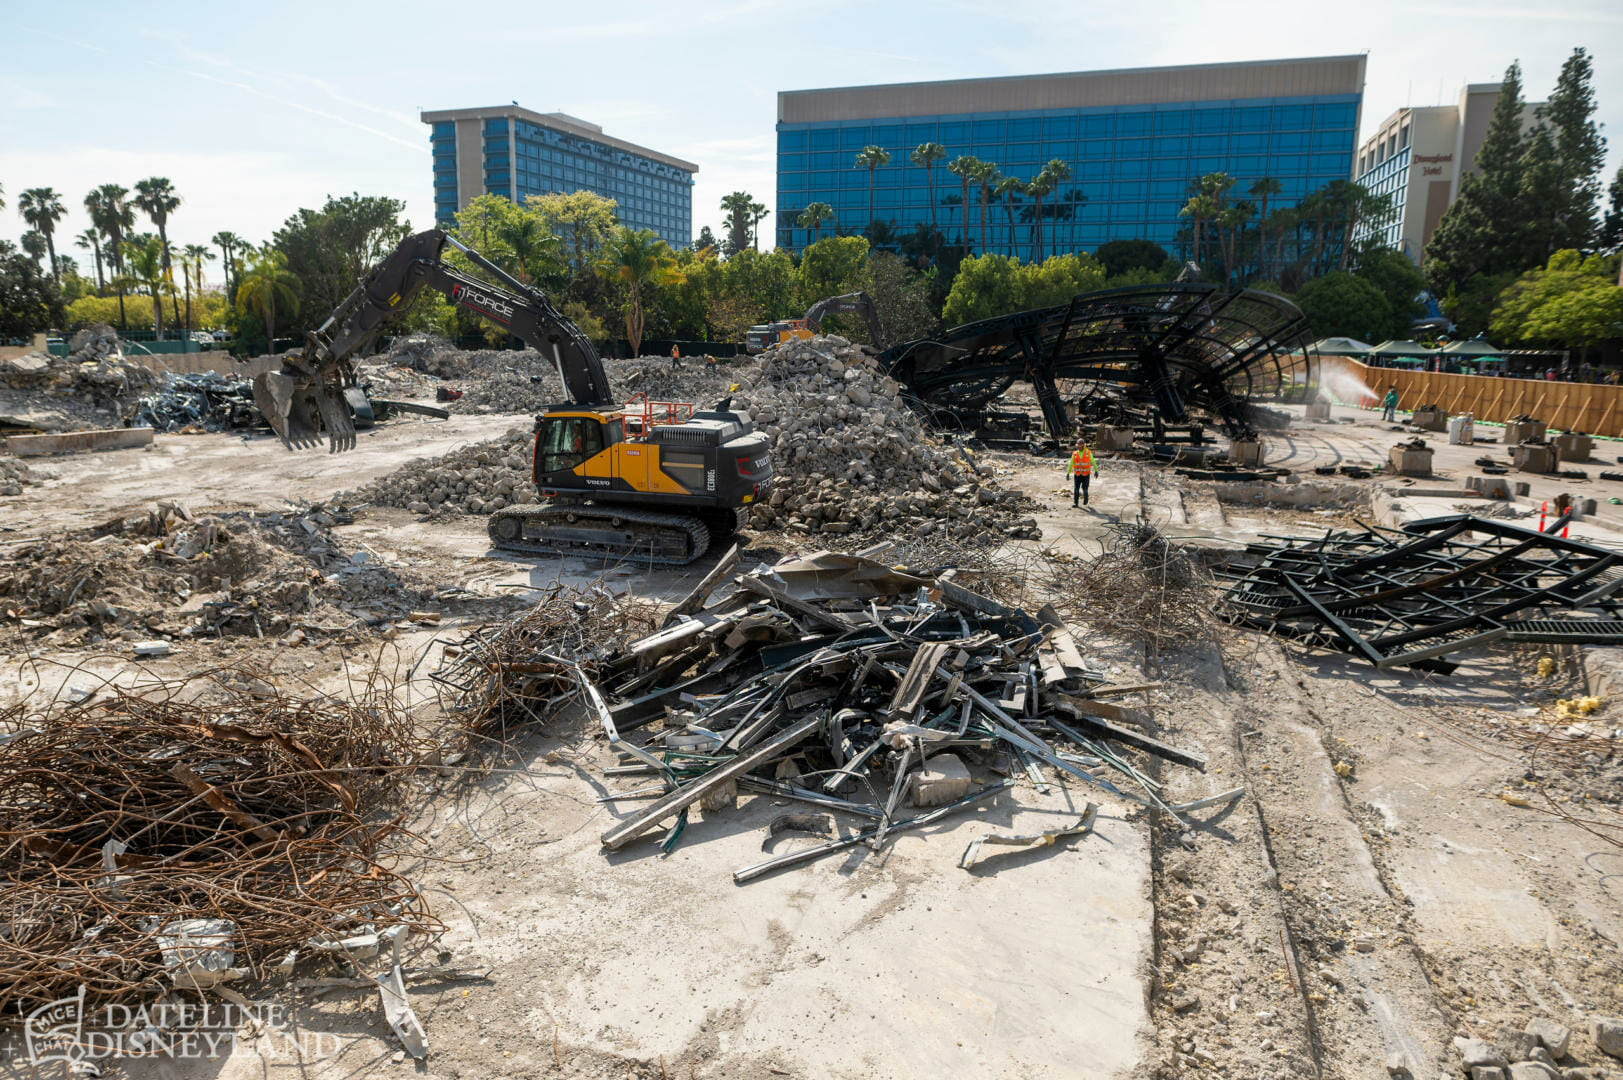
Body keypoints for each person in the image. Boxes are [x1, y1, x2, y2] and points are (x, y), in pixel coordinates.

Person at [1067, 438, 1096, 508]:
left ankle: (1086, 499)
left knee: (1085, 489)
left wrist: (1096, 471)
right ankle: (1075, 503)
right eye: (1078, 446)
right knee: (1076, 489)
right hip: (1077, 475)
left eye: (1081, 446)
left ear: (1083, 446)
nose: (1079, 447)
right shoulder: (1075, 454)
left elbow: (1093, 462)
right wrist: (1068, 473)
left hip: (1086, 475)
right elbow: (1071, 464)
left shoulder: (1088, 453)